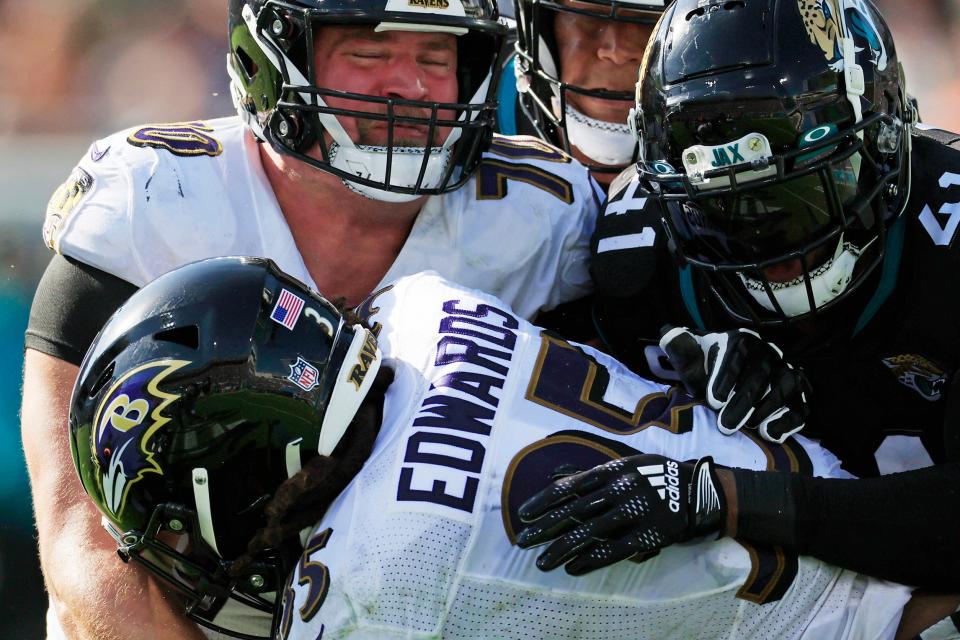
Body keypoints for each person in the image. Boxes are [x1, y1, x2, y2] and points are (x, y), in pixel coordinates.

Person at [21, 1, 603, 638]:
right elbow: (78, 537)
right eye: (369, 55)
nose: (408, 86)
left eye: (435, 59)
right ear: (273, 60)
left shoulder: (544, 221)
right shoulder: (157, 197)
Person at [68, 256, 957, 640]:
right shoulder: (415, 307)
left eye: (178, 519)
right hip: (867, 507)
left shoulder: (373, 587)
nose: (185, 546)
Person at [548, 0, 960, 592]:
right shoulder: (641, 261)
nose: (775, 247)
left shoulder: (948, 240)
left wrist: (730, 496)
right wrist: (672, 395)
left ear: (886, 141)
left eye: (810, 189)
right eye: (723, 208)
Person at [499, 0, 667, 188]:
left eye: (651, 20)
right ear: (543, 27)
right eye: (588, 15)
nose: (617, 52)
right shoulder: (473, 98)